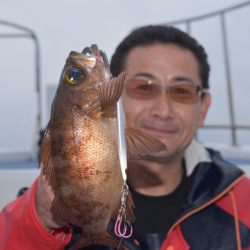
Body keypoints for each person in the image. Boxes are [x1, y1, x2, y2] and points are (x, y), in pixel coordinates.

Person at [1, 25, 250, 250]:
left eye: (181, 91)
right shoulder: (43, 211)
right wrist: (41, 218)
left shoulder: (244, 202)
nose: (162, 110)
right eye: (144, 87)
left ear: (203, 107)